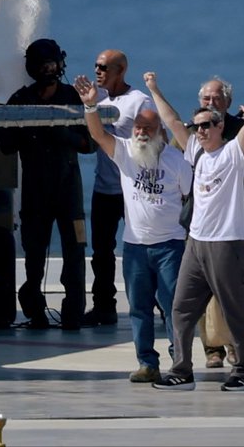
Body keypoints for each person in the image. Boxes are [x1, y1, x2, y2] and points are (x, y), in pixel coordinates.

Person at [149, 76, 244, 392]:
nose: (200, 131)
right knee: (180, 309)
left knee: (235, 311)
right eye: (198, 126)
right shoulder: (195, 152)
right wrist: (154, 90)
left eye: (206, 126)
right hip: (196, 244)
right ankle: (182, 370)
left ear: (219, 127)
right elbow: (172, 120)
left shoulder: (233, 153)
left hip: (226, 245)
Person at [77, 78, 191, 384]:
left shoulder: (176, 161)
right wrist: (90, 105)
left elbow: (188, 196)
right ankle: (147, 362)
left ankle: (180, 360)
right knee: (139, 308)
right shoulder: (125, 151)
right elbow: (98, 134)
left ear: (160, 133)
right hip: (135, 247)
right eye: (138, 126)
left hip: (169, 246)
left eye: (147, 128)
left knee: (172, 307)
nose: (140, 132)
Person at [0, 39, 92, 330]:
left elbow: (90, 144)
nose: (50, 70)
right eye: (44, 65)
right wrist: (25, 127)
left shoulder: (73, 98)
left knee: (75, 252)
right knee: (33, 256)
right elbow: (4, 143)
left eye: (53, 64)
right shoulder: (20, 100)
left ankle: (73, 313)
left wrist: (63, 134)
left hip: (69, 192)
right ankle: (35, 311)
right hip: (36, 192)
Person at [193, 77, 244, 368]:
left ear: (227, 102)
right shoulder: (195, 131)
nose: (211, 104)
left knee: (242, 282)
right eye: (206, 99)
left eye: (217, 99)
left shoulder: (242, 129)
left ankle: (231, 341)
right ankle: (211, 347)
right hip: (204, 223)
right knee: (203, 286)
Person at [82, 49, 150, 326]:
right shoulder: (95, 99)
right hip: (104, 188)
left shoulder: (139, 101)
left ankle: (155, 303)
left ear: (120, 71)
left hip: (133, 187)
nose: (98, 72)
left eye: (104, 67)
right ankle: (103, 306)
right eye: (96, 66)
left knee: (145, 246)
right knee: (101, 252)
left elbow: (156, 137)